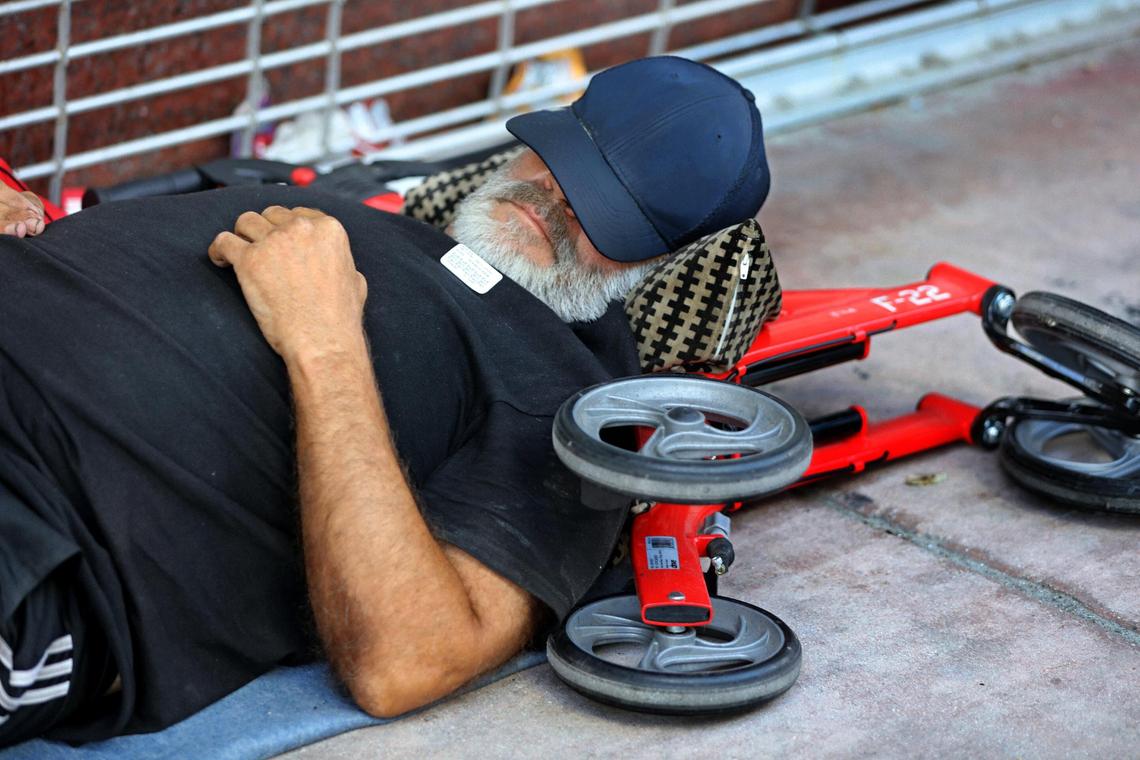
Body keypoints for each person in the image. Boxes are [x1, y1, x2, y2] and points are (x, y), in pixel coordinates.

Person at [0, 56, 770, 746]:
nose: (553, 199)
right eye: (561, 161)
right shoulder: (362, 209)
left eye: (604, 213)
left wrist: (325, 341)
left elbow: (410, 661)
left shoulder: (561, 399)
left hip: (47, 520)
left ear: (663, 265)